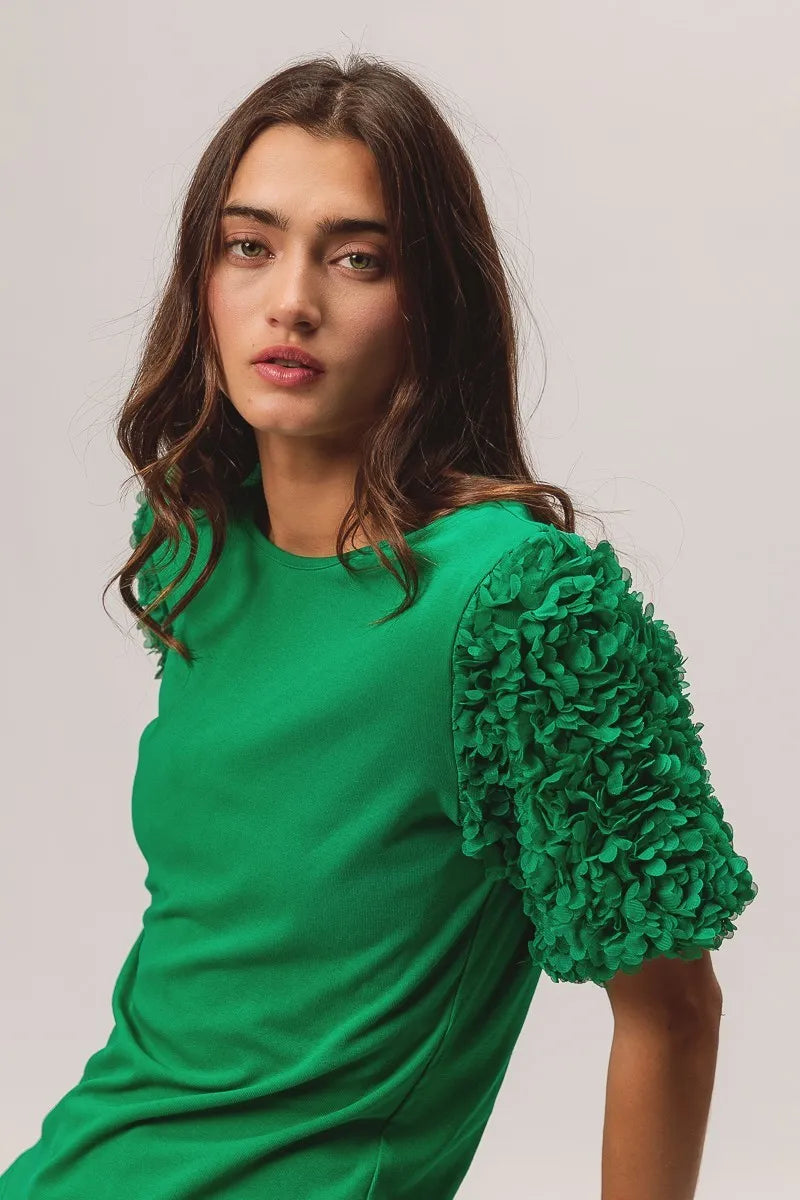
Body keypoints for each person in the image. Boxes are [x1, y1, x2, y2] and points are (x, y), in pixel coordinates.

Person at [0, 52, 757, 1200]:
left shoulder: (520, 609)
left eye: (357, 258)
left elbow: (671, 1010)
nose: (290, 301)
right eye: (248, 246)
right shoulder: (202, 548)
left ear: (429, 302)